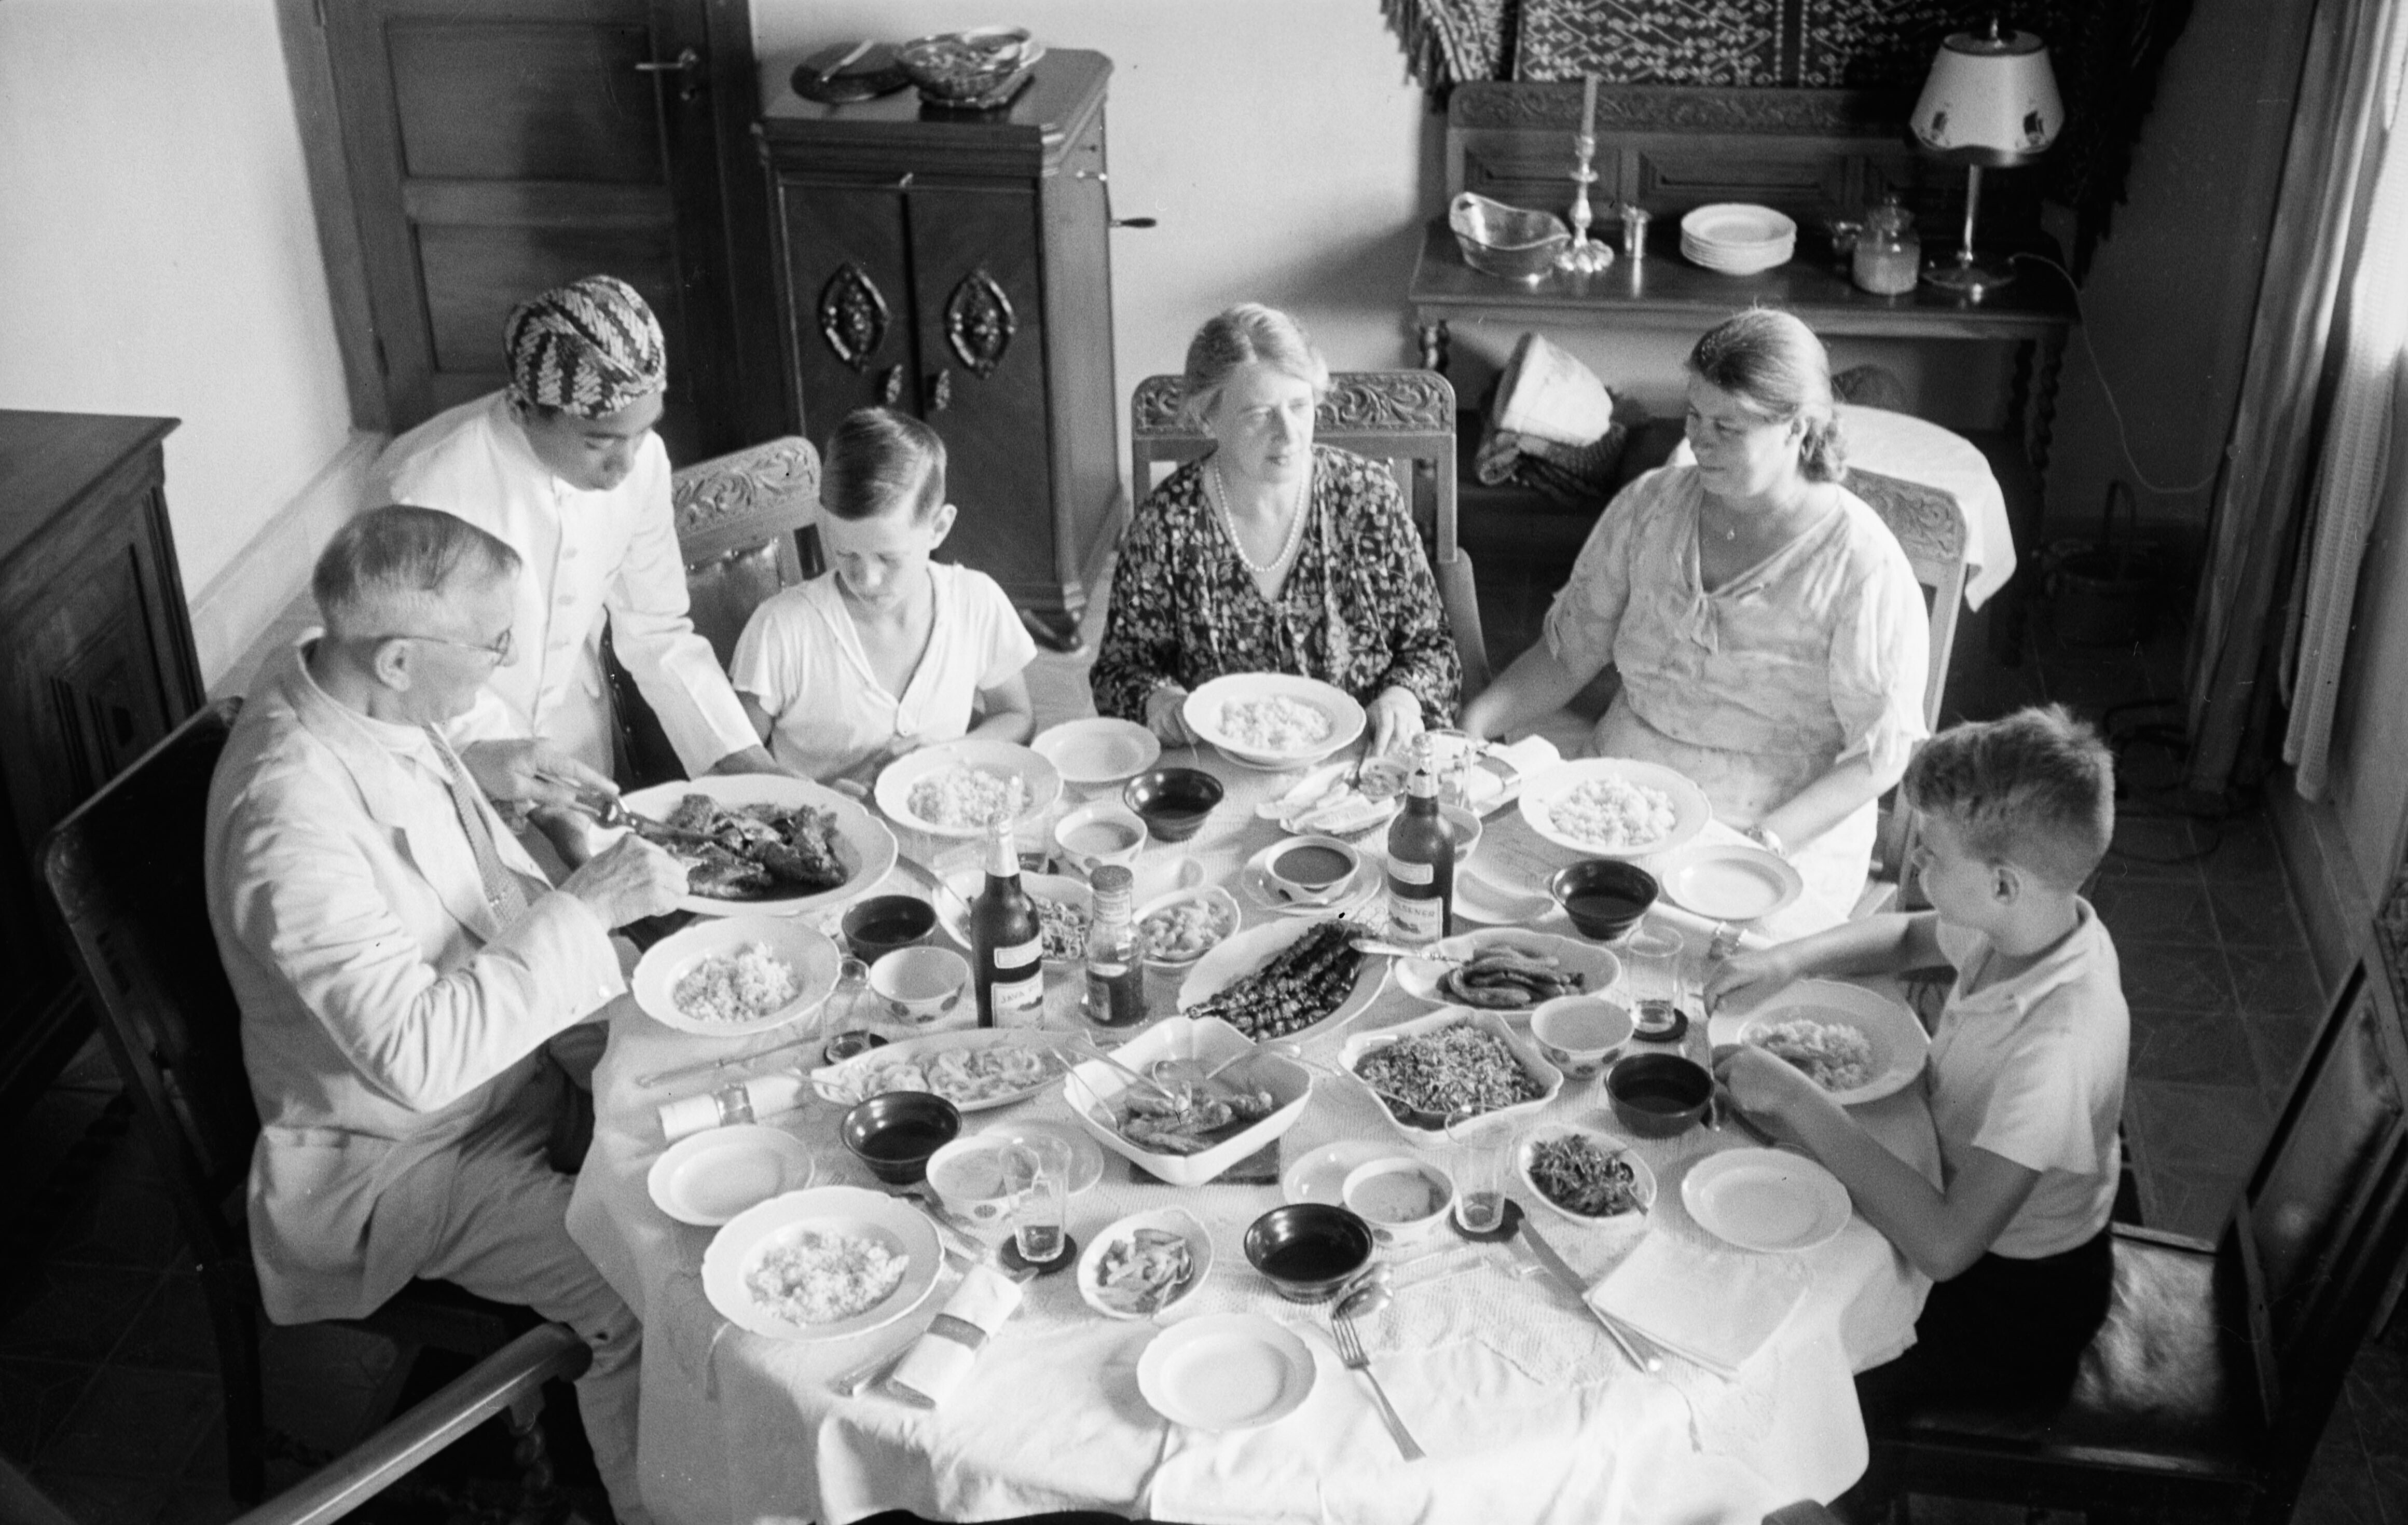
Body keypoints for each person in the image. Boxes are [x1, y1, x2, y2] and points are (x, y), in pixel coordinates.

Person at [206, 506, 692, 1524]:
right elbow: (417, 1058)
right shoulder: (285, 825)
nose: (508, 658)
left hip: (510, 1068)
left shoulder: (346, 680)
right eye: (493, 644)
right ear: (396, 659)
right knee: (638, 1295)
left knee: (710, 1090)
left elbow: (399, 768)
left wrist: (484, 768)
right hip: (406, 1152)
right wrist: (588, 906)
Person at [1706, 706, 2127, 1403]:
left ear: (2002, 883)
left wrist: (1795, 1097)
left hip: (2012, 1301)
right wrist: (1787, 960)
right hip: (1951, 1192)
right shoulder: (2024, 924)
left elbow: (1944, 1246)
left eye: (1931, 853)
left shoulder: (2057, 1046)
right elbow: (1905, 938)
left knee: (1760, 1347)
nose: (1915, 861)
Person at [1460, 309, 1929, 924]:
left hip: (1780, 827)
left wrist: (1767, 840)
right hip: (1627, 800)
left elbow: (1880, 757)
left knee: (1710, 952)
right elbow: (1566, 655)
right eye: (1695, 416)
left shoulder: (1862, 565)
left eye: (1728, 427)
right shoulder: (1650, 506)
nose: (1700, 441)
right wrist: (1472, 727)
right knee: (1501, 899)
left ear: (1797, 427)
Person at [372, 273, 780, 784]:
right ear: (523, 409)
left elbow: (656, 631)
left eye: (644, 430)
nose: (626, 464)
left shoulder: (644, 460)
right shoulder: (422, 490)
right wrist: (490, 762)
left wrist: (744, 759)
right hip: (458, 755)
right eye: (599, 442)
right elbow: (410, 674)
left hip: (579, 744)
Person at [1089, 303, 1460, 754]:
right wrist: (1159, 701)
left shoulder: (1368, 500)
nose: (1288, 434)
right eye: (1259, 414)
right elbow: (1119, 671)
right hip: (1220, 770)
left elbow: (1431, 648)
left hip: (1358, 763)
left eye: (1299, 406)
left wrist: (1402, 698)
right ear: (1208, 418)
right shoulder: (1166, 525)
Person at [728, 407, 1035, 785]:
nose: (867, 580)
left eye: (888, 558)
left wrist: (949, 757)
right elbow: (733, 768)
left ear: (939, 528)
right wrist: (821, 796)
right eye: (845, 553)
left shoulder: (975, 602)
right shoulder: (781, 630)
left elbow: (1016, 715)